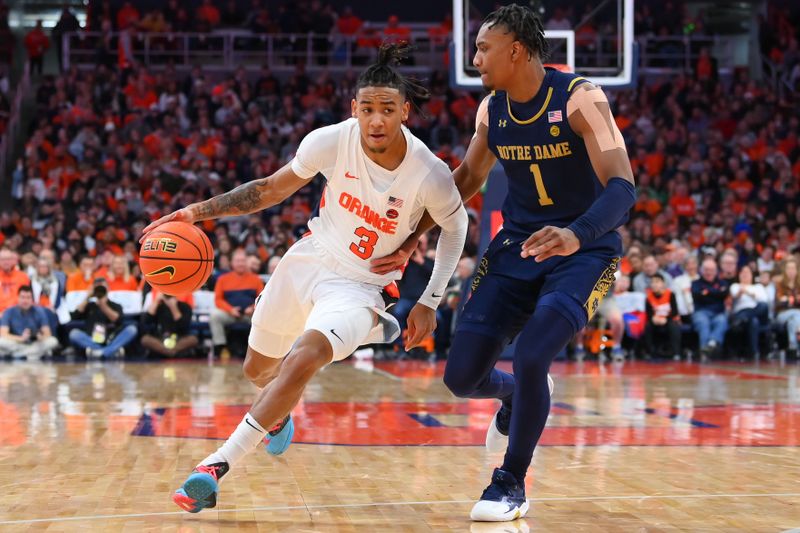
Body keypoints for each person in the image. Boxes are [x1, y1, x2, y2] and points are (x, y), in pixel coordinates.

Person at [141, 44, 468, 514]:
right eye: (368, 109)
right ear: (354, 109)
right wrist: (197, 212)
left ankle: (213, 467)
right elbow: (268, 190)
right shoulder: (331, 141)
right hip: (309, 259)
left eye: (388, 110)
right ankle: (277, 418)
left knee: (305, 355)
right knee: (258, 371)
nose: (377, 121)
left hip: (361, 288)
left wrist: (431, 300)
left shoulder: (429, 173)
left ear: (405, 113)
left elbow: (457, 228)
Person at [372, 4, 636, 521]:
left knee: (534, 353)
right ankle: (515, 395)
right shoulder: (492, 111)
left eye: (482, 48)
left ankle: (510, 482)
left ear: (516, 50)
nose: (474, 58)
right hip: (517, 246)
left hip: (584, 251)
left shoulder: (581, 98)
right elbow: (466, 181)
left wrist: (575, 234)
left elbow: (623, 187)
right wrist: (411, 238)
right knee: (461, 377)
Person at [209, 248, 264, 359]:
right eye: (237, 261)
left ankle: (259, 349)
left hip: (250, 314)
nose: (240, 263)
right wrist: (230, 310)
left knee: (263, 317)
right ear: (232, 263)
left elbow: (262, 299)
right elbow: (218, 300)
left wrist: (252, 308)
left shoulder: (256, 279)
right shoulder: (222, 279)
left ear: (247, 262)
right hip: (230, 313)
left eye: (243, 261)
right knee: (214, 316)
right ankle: (220, 347)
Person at [68, 277, 138, 359]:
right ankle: (110, 351)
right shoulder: (89, 305)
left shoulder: (115, 305)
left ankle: (101, 352)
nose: (100, 291)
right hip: (92, 339)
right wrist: (87, 297)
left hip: (112, 338)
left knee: (132, 329)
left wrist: (103, 305)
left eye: (102, 288)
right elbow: (75, 316)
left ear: (108, 288)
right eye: (97, 288)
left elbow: (117, 320)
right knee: (74, 334)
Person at [0, 286, 59, 360]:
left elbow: (47, 334)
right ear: (18, 298)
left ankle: (17, 354)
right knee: (1, 341)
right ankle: (32, 354)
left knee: (53, 341)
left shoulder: (39, 311)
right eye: (22, 297)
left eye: (28, 297)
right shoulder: (9, 311)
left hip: (34, 343)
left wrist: (39, 337)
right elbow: (3, 334)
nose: (25, 300)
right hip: (17, 342)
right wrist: (21, 338)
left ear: (32, 299)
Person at [140, 291, 199, 357]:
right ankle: (172, 353)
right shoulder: (159, 306)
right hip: (161, 338)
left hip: (179, 338)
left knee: (193, 339)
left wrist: (173, 307)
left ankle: (166, 352)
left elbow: (183, 326)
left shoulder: (185, 307)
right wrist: (156, 301)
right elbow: (146, 321)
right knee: (145, 339)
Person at [691, 258, 730, 358]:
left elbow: (724, 294)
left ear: (716, 271)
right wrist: (716, 293)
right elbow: (698, 295)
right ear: (702, 270)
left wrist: (707, 292)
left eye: (711, 270)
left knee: (722, 321)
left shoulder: (723, 283)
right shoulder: (695, 283)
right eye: (706, 269)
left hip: (718, 313)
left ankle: (711, 344)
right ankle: (705, 353)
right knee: (703, 323)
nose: (709, 272)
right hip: (701, 312)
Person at [730, 265, 768, 359]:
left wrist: (747, 292)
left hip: (756, 311)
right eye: (743, 272)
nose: (745, 275)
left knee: (763, 306)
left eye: (747, 273)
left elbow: (764, 300)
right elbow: (735, 295)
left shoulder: (758, 287)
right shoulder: (735, 286)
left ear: (752, 275)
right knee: (754, 321)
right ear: (739, 275)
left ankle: (742, 319)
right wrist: (742, 291)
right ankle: (754, 352)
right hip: (742, 311)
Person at [643, 273, 681, 359]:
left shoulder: (671, 294)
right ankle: (649, 352)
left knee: (674, 326)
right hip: (656, 320)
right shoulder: (648, 297)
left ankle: (676, 353)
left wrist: (666, 319)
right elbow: (648, 313)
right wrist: (653, 318)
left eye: (657, 282)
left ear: (663, 283)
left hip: (668, 319)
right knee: (647, 326)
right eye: (652, 282)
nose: (654, 284)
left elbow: (675, 311)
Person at [775, 258, 800, 358]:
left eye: (793, 268)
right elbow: (777, 303)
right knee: (797, 314)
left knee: (793, 321)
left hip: (796, 317)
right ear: (785, 270)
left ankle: (793, 346)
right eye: (789, 268)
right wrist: (786, 301)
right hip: (782, 314)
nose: (791, 271)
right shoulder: (779, 285)